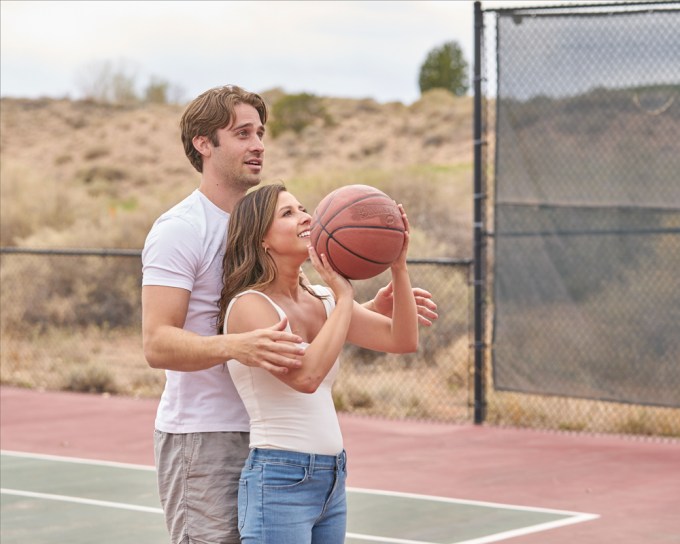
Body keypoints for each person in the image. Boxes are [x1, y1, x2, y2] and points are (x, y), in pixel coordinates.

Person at [141, 84, 438, 544]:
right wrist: (236, 347)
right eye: (242, 133)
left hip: (277, 437)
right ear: (204, 143)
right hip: (208, 434)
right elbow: (157, 343)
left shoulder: (268, 230)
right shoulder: (181, 229)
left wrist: (361, 307)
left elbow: (305, 307)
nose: (258, 144)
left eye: (260, 133)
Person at [218, 183, 418, 543]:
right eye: (288, 213)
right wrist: (345, 300)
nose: (306, 217)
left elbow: (401, 340)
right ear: (261, 238)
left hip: (332, 477)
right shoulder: (249, 306)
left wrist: (398, 268)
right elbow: (307, 376)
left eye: (303, 208)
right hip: (279, 479)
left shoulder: (322, 298)